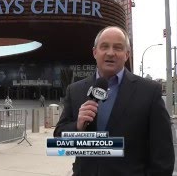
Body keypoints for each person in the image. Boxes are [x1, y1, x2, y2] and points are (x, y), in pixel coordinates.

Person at [53, 26, 174, 175]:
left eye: (118, 47)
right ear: (95, 52)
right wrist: (77, 126)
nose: (110, 53)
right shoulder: (75, 90)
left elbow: (163, 156)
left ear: (126, 54)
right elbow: (59, 141)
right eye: (104, 46)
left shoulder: (149, 91)